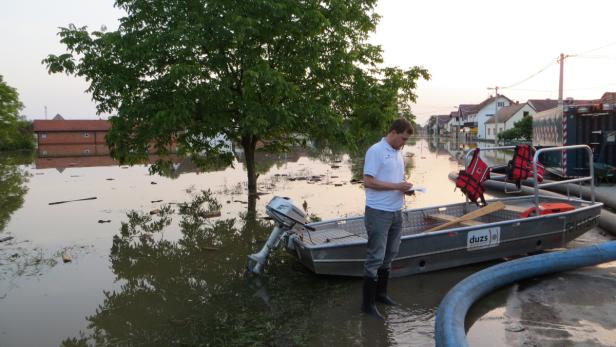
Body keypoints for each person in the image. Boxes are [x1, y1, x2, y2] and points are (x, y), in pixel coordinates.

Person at [361, 118, 414, 319]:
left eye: (406, 140)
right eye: (402, 138)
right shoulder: (376, 150)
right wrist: (396, 187)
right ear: (393, 132)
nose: (404, 143)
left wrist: (405, 189)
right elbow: (368, 181)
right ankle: (367, 305)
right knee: (375, 257)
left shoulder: (397, 153)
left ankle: (381, 294)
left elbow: (395, 181)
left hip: (395, 211)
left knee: (390, 254)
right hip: (378, 212)